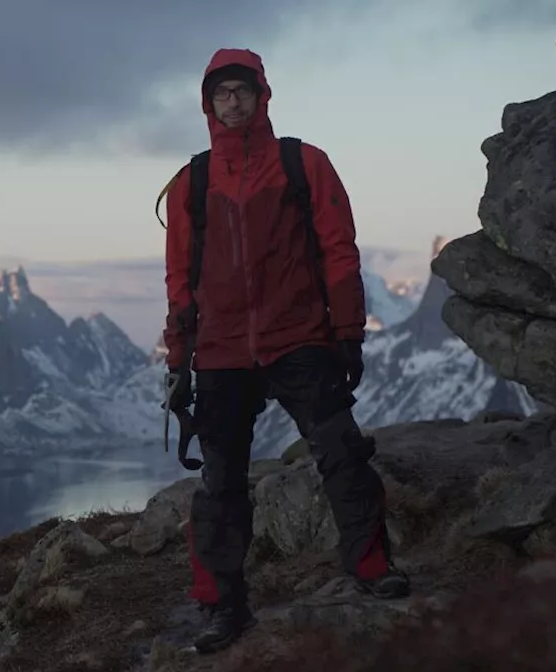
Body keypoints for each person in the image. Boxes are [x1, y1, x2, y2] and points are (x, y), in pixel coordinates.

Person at [161, 48, 411, 654]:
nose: (233, 101)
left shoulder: (304, 164)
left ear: (262, 95)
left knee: (342, 454)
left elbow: (339, 250)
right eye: (222, 93)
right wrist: (178, 361)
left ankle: (370, 568)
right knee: (220, 483)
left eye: (242, 90)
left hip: (299, 337)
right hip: (220, 351)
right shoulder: (191, 181)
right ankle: (223, 606)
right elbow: (179, 279)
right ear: (207, 103)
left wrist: (347, 332)